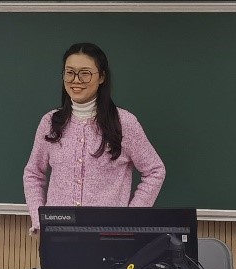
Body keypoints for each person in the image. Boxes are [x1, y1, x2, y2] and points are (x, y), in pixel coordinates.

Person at [23, 42, 165, 233]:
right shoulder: (50, 122)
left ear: (102, 77)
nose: (76, 80)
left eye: (85, 73)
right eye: (70, 72)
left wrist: (130, 219)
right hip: (58, 235)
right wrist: (39, 218)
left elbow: (155, 171)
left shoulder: (124, 123)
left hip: (108, 237)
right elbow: (33, 174)